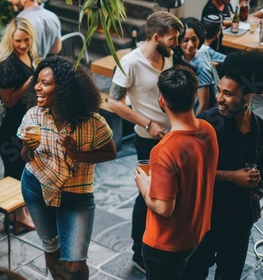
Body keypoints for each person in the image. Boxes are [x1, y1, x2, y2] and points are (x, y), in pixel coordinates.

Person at [19, 55, 117, 280]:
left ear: (63, 89)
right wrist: (27, 147)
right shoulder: (33, 115)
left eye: (45, 83)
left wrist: (76, 154)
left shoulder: (92, 122)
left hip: (75, 194)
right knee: (51, 245)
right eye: (37, 82)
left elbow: (110, 153)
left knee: (74, 263)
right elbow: (25, 157)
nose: (37, 88)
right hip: (37, 187)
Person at [107, 11, 183, 273]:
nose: (175, 44)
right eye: (172, 39)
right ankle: (137, 251)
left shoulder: (168, 56)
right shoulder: (130, 62)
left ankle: (162, 243)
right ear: (156, 37)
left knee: (170, 193)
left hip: (173, 136)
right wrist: (147, 123)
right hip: (147, 141)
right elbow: (113, 102)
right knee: (147, 193)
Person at [181, 50, 263, 280]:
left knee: (230, 274)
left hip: (239, 221)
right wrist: (232, 176)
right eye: (219, 90)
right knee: (194, 272)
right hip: (206, 218)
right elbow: (189, 172)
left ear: (247, 97)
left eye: (228, 94)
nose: (219, 98)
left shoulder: (259, 129)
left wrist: (256, 196)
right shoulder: (208, 124)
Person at [134, 65, 219, 280]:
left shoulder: (164, 150)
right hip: (198, 233)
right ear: (194, 95)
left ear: (162, 101)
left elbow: (164, 207)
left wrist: (145, 186)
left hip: (167, 244)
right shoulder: (208, 130)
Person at [0, 17, 38, 233]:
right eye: (18, 40)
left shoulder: (29, 55)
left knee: (22, 168)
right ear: (11, 39)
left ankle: (17, 213)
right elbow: (8, 101)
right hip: (9, 129)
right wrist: (31, 81)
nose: (22, 45)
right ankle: (15, 216)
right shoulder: (8, 64)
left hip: (23, 124)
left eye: (26, 40)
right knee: (15, 170)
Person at [173, 17, 226, 116]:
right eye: (185, 40)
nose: (190, 44)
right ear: (178, 41)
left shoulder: (202, 67)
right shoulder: (180, 57)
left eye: (194, 39)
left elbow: (203, 104)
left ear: (200, 38)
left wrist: (194, 125)